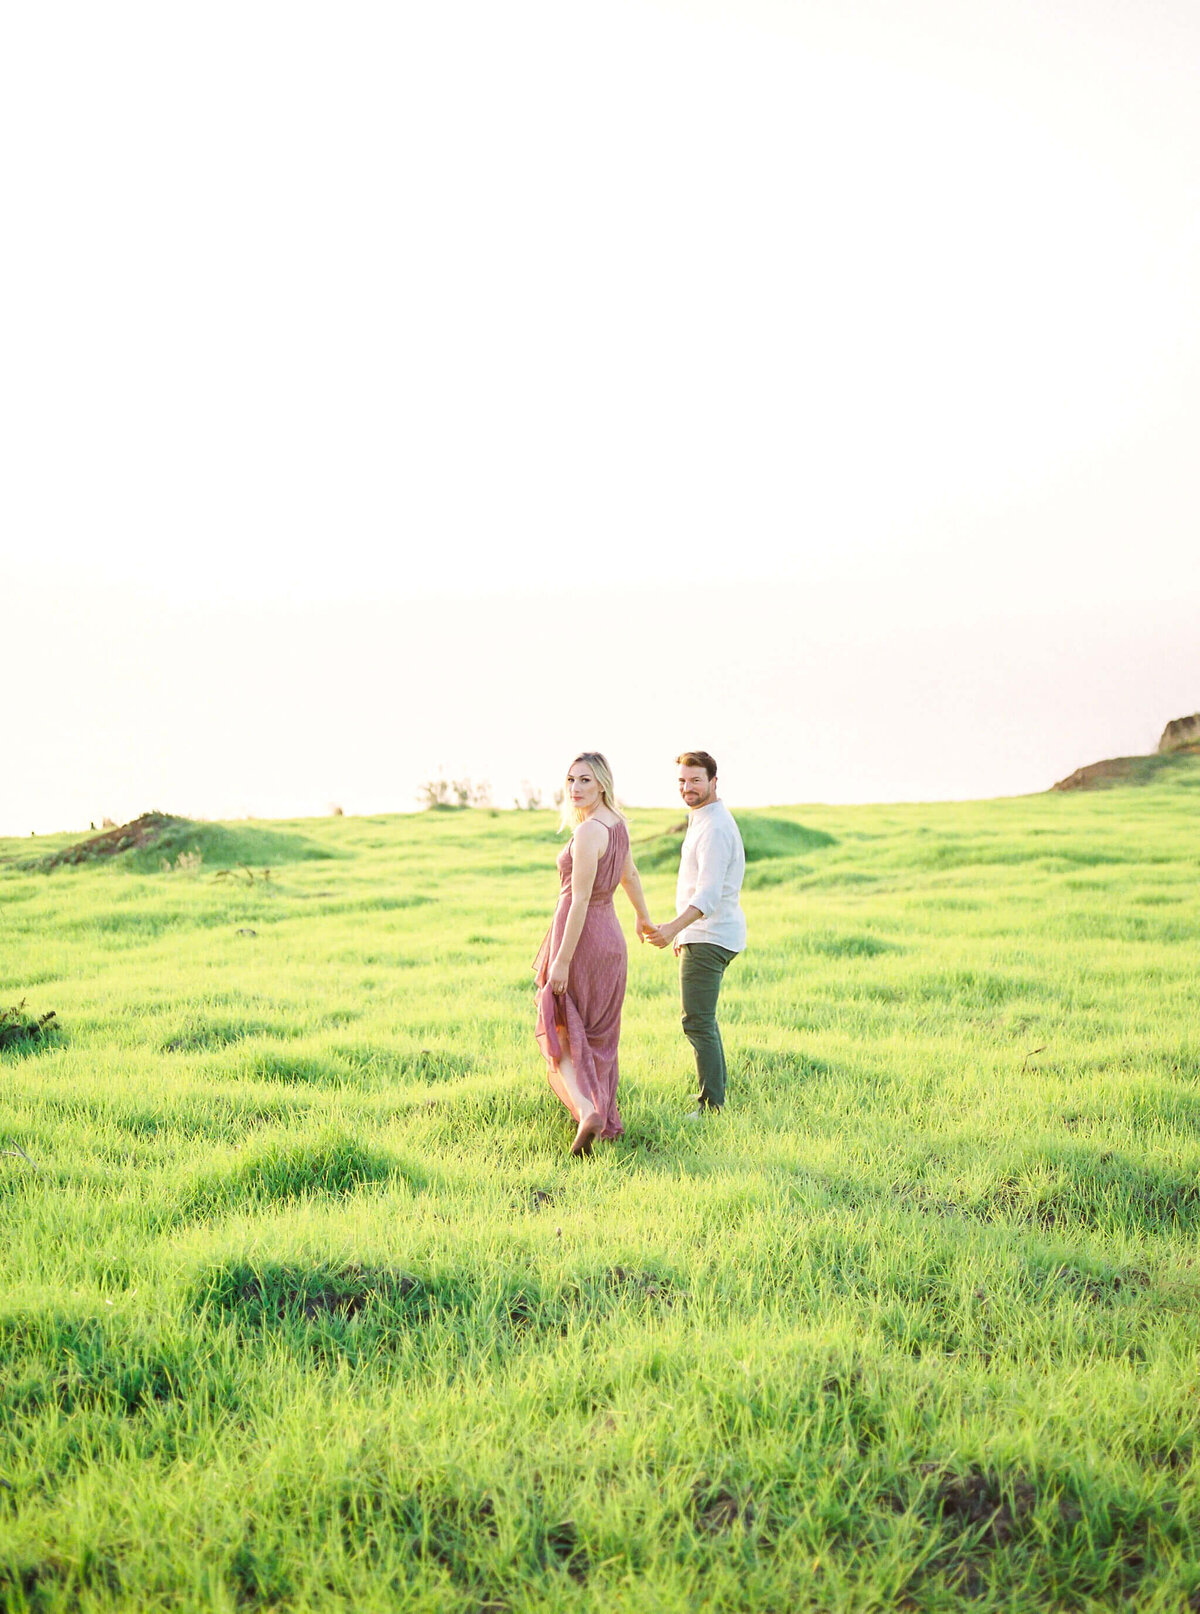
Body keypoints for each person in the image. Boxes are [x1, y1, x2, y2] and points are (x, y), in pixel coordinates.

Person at [534, 753, 655, 1155]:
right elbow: (631, 875)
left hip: (582, 938)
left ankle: (588, 1110)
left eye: (585, 780)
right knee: (599, 1035)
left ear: (602, 783)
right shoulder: (617, 825)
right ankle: (599, 1110)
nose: (575, 788)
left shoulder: (588, 833)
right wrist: (643, 917)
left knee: (563, 1026)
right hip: (612, 938)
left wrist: (562, 961)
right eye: (570, 780)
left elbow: (580, 900)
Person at [646, 751, 746, 1115]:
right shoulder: (704, 818)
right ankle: (712, 1090)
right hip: (703, 933)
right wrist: (685, 935)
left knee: (697, 1020)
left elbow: (707, 894)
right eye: (682, 781)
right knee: (703, 1018)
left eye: (696, 781)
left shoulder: (716, 827)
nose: (687, 788)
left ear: (714, 782)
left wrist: (674, 930)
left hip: (711, 934)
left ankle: (712, 1104)